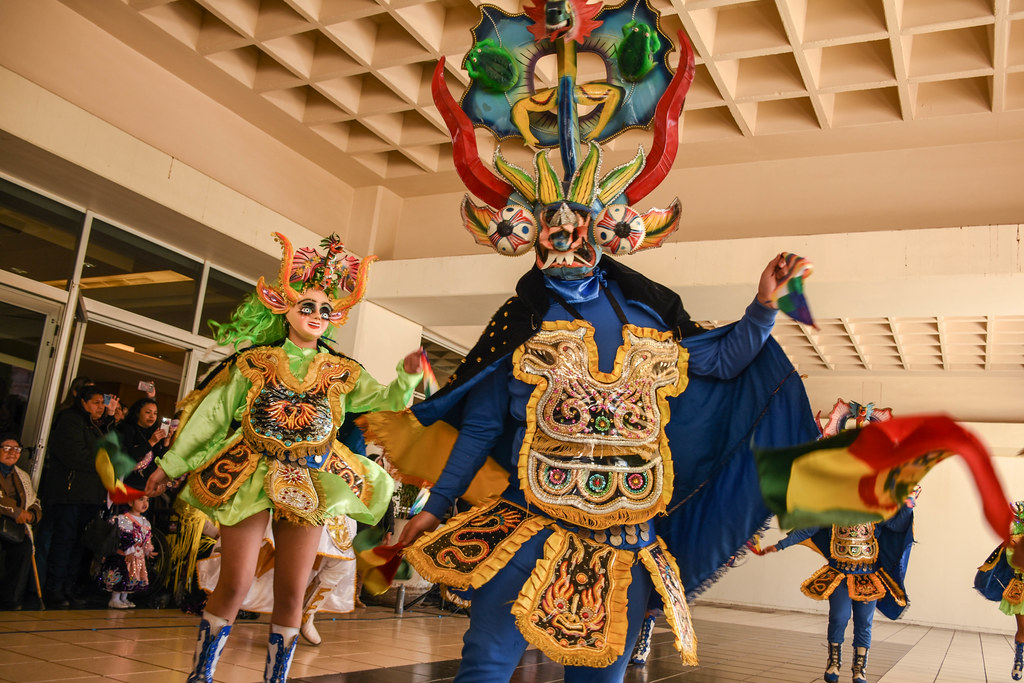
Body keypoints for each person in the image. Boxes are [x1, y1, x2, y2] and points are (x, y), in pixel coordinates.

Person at [144, 232, 422, 683]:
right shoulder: (254, 362)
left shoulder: (342, 371)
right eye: (306, 306)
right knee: (234, 582)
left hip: (311, 480)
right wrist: (168, 465)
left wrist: (407, 378)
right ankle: (201, 675)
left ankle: (275, 679)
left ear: (335, 320)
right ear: (283, 307)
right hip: (249, 472)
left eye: (324, 311)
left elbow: (386, 399)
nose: (315, 315)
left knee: (292, 592)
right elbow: (211, 418)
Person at [761, 493, 918, 683]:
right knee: (838, 617)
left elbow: (897, 525)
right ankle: (833, 662)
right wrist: (780, 546)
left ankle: (859, 668)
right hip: (839, 575)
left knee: (863, 622)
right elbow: (807, 529)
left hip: (868, 577)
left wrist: (908, 505)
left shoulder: (876, 510)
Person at [40, 385, 108, 608]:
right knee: (64, 542)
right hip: (69, 494)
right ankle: (54, 589)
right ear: (83, 402)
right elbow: (75, 455)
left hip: (88, 495)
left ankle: (69, 587)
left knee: (80, 544)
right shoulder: (70, 420)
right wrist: (103, 462)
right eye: (96, 402)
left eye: (102, 402)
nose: (101, 406)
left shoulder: (94, 426)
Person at [975, 501, 1024, 680]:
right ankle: (1019, 659)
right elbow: (1014, 561)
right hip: (1021, 592)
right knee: (1023, 629)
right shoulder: (1015, 539)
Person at [0, 434, 41, 610]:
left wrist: (31, 515)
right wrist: (16, 511)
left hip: (14, 525)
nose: (12, 453)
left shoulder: (22, 475)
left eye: (16, 449)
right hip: (5, 518)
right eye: (7, 448)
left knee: (23, 547)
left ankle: (11, 598)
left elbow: (35, 501)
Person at [97, 495, 156, 608]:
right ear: (130, 502)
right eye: (141, 500)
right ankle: (115, 599)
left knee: (131, 577)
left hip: (137, 556)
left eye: (147, 500)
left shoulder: (145, 522)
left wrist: (148, 550)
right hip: (124, 555)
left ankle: (124, 598)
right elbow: (124, 537)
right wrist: (128, 549)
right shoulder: (124, 519)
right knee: (122, 574)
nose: (145, 503)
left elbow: (147, 538)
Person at [116, 398, 170, 492]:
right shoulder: (126, 429)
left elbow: (158, 460)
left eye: (155, 413)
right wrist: (151, 442)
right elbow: (127, 455)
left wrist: (165, 444)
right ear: (137, 413)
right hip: (127, 483)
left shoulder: (153, 432)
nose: (152, 416)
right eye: (148, 412)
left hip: (147, 485)